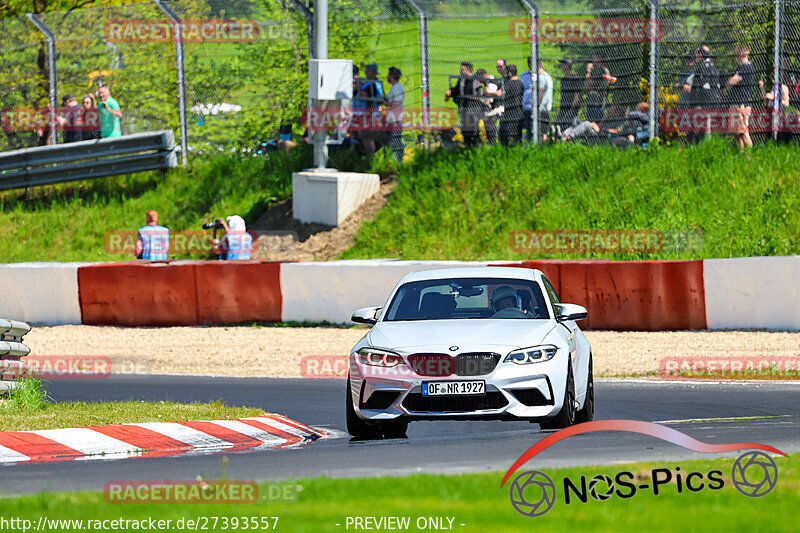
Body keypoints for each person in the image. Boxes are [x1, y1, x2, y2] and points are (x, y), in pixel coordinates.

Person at [687, 46, 721, 142]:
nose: (696, 56)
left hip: (703, 103)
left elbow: (700, 86)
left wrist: (695, 103)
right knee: (706, 126)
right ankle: (705, 146)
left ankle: (700, 147)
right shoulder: (713, 66)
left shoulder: (702, 66)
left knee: (698, 128)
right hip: (714, 102)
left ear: (701, 54)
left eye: (697, 53)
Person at [445, 61, 482, 147]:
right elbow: (457, 90)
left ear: (468, 70)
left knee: (473, 131)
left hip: (472, 110)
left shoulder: (475, 80)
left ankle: (476, 147)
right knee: (465, 131)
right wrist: (450, 92)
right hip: (463, 109)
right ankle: (468, 147)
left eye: (462, 70)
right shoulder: (462, 80)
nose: (460, 71)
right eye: (460, 69)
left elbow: (478, 96)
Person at [725, 45, 754, 150]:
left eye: (735, 55)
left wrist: (727, 83)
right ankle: (741, 155)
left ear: (740, 55)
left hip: (741, 104)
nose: (735, 58)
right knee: (736, 133)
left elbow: (732, 81)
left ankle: (750, 156)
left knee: (743, 133)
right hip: (735, 103)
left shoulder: (746, 67)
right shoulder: (741, 68)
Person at [357, 63, 383, 156]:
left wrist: (357, 88)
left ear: (371, 72)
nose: (365, 72)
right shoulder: (377, 83)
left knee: (367, 136)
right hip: (372, 113)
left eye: (367, 70)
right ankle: (369, 156)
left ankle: (371, 157)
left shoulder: (372, 85)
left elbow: (364, 94)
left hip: (370, 114)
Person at [498, 64, 524, 145]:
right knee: (517, 136)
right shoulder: (520, 83)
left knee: (503, 135)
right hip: (519, 113)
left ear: (509, 73)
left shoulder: (507, 84)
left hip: (509, 114)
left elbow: (500, 94)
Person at [554, 58, 580, 137]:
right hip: (563, 109)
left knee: (568, 129)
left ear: (567, 66)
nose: (561, 66)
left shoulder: (575, 79)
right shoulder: (563, 80)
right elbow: (563, 97)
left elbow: (577, 95)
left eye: (562, 64)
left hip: (571, 109)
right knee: (559, 127)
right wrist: (559, 111)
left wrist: (572, 109)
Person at [384, 66, 405, 161]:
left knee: (396, 140)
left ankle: (399, 161)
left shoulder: (397, 88)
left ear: (391, 76)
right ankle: (393, 160)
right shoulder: (395, 88)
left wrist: (386, 104)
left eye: (388, 75)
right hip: (392, 118)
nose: (387, 77)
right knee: (391, 141)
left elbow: (397, 103)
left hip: (395, 119)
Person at [584, 53, 611, 123]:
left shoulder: (602, 70)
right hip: (594, 101)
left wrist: (588, 71)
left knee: (593, 124)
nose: (592, 60)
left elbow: (588, 84)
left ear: (600, 59)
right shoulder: (598, 70)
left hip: (597, 102)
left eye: (594, 58)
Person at [476, 68, 500, 144]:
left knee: (491, 130)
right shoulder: (490, 80)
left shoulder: (491, 84)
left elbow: (489, 100)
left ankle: (493, 144)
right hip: (494, 109)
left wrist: (478, 98)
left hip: (495, 109)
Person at [535, 59, 554, 142]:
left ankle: (541, 149)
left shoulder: (541, 77)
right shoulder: (547, 76)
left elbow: (541, 92)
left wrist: (537, 104)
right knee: (544, 131)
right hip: (547, 107)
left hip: (542, 108)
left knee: (542, 133)